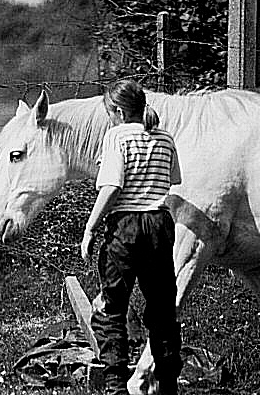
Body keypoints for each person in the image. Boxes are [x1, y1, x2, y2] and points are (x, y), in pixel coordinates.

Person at [81, 79, 183, 395]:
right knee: (162, 308)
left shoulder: (117, 137)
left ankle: (115, 387)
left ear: (120, 111)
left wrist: (90, 227)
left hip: (125, 227)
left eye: (109, 114)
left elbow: (112, 187)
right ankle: (167, 386)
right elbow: (174, 180)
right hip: (158, 225)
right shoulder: (165, 138)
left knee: (113, 308)